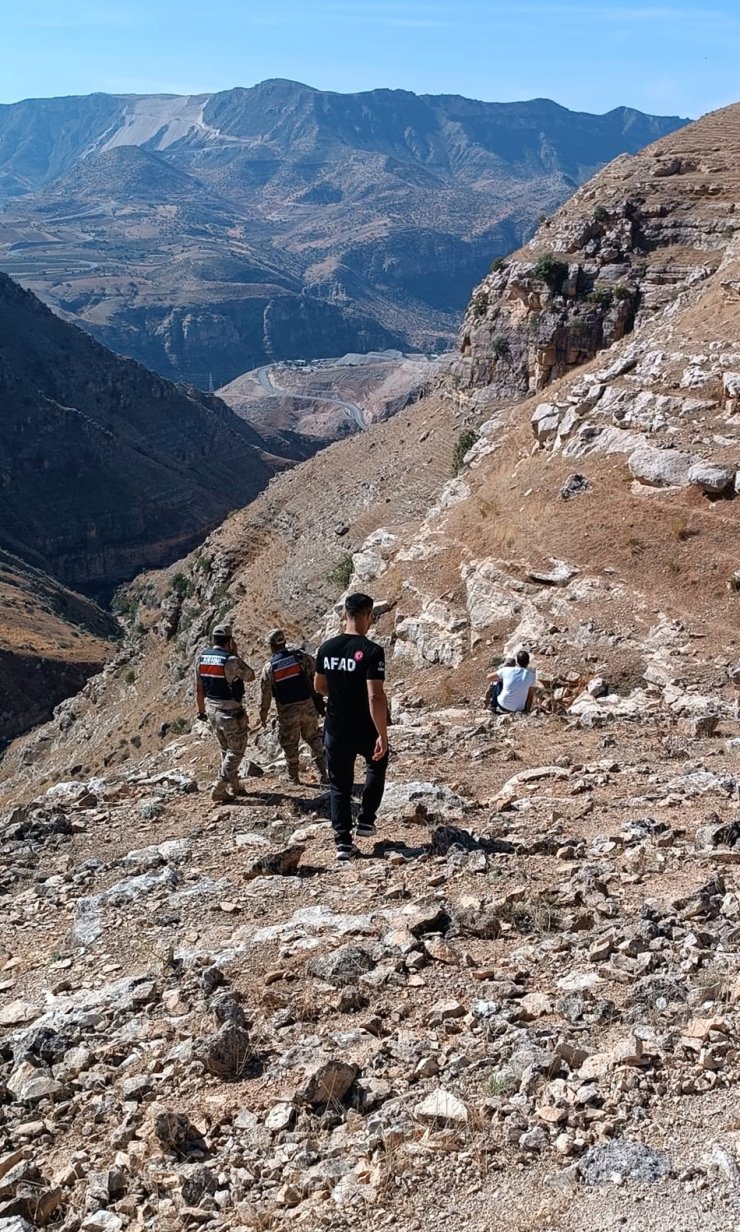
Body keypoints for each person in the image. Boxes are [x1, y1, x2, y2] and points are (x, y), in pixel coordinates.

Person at [314, 593, 389, 862]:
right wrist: (382, 733)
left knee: (340, 786)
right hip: (365, 726)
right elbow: (375, 696)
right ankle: (367, 819)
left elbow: (319, 686)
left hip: (336, 726)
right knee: (376, 765)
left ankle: (343, 843)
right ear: (369, 616)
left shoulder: (327, 648)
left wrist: (339, 691)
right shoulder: (372, 651)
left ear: (344, 615)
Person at [195, 623, 256, 802]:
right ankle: (219, 788)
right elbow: (250, 676)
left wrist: (201, 711)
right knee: (237, 751)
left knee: (225, 750)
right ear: (230, 641)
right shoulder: (230, 660)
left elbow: (199, 689)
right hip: (230, 712)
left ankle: (234, 786)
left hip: (212, 710)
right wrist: (235, 654)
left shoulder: (202, 658)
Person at [259, 629, 328, 785]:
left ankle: (293, 777)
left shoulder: (269, 668)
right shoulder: (300, 657)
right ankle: (325, 773)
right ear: (284, 641)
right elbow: (318, 670)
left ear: (271, 646)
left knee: (290, 744)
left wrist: (263, 715)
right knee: (313, 738)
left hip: (287, 711)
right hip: (308, 705)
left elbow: (265, 695)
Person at [487, 648, 536, 714]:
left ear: (516, 661)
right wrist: (527, 710)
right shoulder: (532, 676)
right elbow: (530, 696)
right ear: (528, 662)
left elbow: (489, 677)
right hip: (519, 709)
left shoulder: (507, 670)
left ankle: (493, 706)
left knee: (497, 682)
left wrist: (502, 679)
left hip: (503, 705)